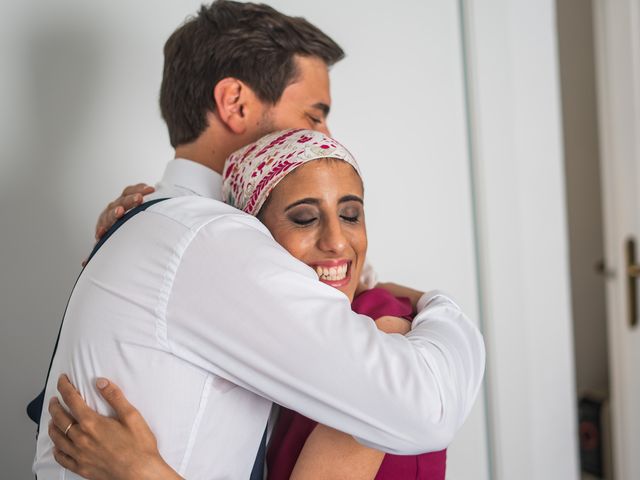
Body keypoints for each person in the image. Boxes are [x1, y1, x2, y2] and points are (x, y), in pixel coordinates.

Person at [34, 1, 485, 478]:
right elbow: (424, 407)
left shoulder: (156, 226)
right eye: (314, 115)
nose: (324, 136)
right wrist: (443, 309)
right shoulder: (212, 241)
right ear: (236, 103)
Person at [49, 129, 450, 479]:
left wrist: (140, 472)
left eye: (350, 214)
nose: (336, 241)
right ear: (255, 240)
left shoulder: (381, 336)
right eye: (305, 218)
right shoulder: (288, 341)